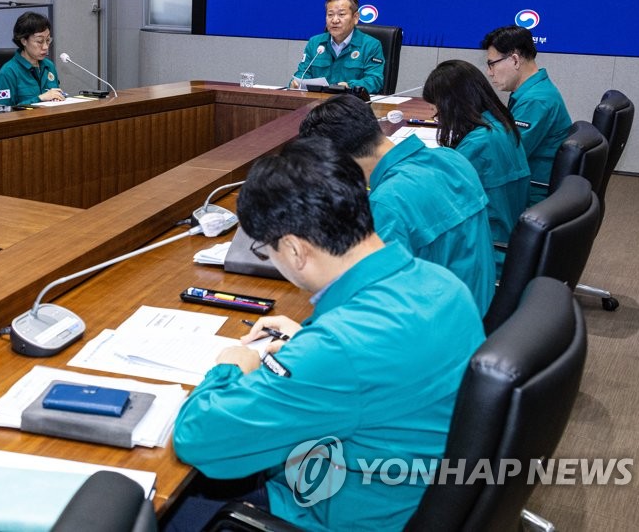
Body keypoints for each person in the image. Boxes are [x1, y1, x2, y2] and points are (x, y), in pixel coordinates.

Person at [171, 136, 485, 531]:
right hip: (410, 490)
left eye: (266, 251)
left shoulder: (339, 348)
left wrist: (231, 364)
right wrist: (306, 341)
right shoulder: (443, 284)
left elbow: (199, 437)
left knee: (160, 507)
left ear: (295, 250)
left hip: (333, 512)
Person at [299, 94, 495, 316]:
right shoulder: (453, 159)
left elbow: (371, 304)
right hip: (479, 312)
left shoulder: (387, 203)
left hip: (439, 332)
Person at [424, 59, 531, 277]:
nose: (439, 118)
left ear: (453, 104)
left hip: (487, 254)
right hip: (507, 241)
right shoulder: (500, 125)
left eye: (439, 111)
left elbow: (439, 203)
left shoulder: (478, 145)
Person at [481, 25, 571, 206]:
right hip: (529, 185)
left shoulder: (536, 101)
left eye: (492, 64)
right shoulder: (535, 91)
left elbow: (506, 158)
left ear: (515, 60)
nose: (489, 72)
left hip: (531, 195)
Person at [290, 0, 384, 94]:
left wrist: (349, 86)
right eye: (330, 15)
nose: (334, 20)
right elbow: (303, 73)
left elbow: (375, 80)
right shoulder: (315, 43)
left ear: (355, 17)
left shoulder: (371, 45)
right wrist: (295, 83)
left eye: (341, 14)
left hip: (351, 104)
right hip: (318, 104)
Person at [0, 11, 65, 106]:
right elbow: (4, 112)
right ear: (24, 41)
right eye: (40, 41)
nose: (45, 47)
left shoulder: (49, 66)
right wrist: (39, 99)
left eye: (48, 40)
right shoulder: (8, 73)